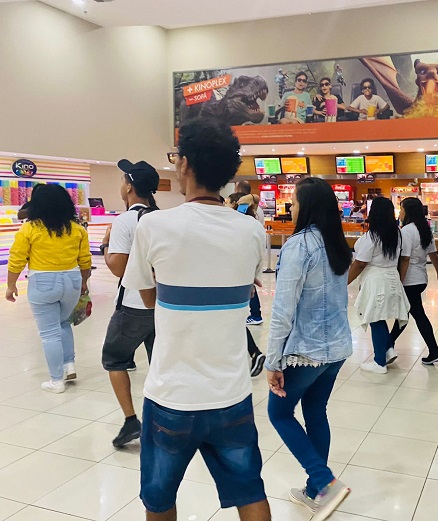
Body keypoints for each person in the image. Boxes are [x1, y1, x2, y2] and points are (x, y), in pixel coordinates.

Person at [122, 118, 270, 521]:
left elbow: (149, 297)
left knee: (159, 497)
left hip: (172, 393)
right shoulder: (252, 231)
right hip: (231, 392)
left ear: (184, 164)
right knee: (249, 489)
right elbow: (249, 285)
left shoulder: (153, 225)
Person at [265, 177, 353, 520]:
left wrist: (273, 360)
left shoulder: (299, 245)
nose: (292, 207)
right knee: (316, 411)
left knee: (279, 413)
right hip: (337, 349)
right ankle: (316, 491)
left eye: (296, 201)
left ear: (308, 207)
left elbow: (283, 309)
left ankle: (324, 481)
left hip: (305, 352)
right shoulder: (337, 243)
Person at [5, 184, 91, 393]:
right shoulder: (77, 229)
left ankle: (56, 380)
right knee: (64, 323)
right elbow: (85, 261)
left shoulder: (29, 228)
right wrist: (84, 283)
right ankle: (69, 364)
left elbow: (17, 259)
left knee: (49, 333)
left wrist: (11, 285)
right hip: (71, 279)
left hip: (43, 281)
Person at [100, 159, 159, 448]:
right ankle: (161, 419)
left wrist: (105, 245)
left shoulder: (124, 221)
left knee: (114, 359)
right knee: (159, 363)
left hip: (133, 304)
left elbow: (119, 267)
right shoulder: (163, 217)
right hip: (163, 304)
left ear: (130, 186)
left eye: (123, 180)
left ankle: (130, 420)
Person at [348, 197, 409, 374]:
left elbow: (359, 264)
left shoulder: (372, 236)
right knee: (379, 317)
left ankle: (379, 363)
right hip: (391, 277)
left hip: (375, 280)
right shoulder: (397, 233)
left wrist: (345, 282)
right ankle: (388, 349)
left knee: (375, 318)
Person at [390, 197, 438, 365]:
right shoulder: (424, 229)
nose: (400, 213)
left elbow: (405, 259)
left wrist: (399, 281)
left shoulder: (407, 231)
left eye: (401, 209)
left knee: (410, 314)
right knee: (408, 312)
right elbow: (433, 254)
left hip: (409, 280)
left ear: (407, 211)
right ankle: (388, 345)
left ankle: (387, 345)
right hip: (421, 278)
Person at [237, 180, 265, 325]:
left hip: (245, 249)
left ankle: (255, 313)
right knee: (249, 282)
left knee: (248, 283)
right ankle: (254, 313)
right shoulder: (257, 209)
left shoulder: (242, 210)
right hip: (255, 248)